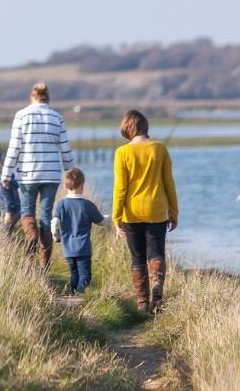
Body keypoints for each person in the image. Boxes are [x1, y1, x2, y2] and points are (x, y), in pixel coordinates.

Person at [0, 82, 74, 268]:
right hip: (51, 175)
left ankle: (31, 238)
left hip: (27, 174)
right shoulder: (57, 118)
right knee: (46, 217)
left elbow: (14, 147)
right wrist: (71, 174)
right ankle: (44, 266)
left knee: (27, 212)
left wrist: (6, 173)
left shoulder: (21, 116)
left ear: (31, 97)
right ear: (47, 98)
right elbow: (65, 150)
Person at [112, 109, 179, 314]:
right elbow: (169, 184)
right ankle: (157, 283)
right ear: (145, 127)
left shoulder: (123, 153)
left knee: (138, 258)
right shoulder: (160, 149)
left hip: (132, 213)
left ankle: (142, 303)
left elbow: (120, 188)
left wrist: (116, 217)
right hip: (156, 211)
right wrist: (174, 213)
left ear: (128, 128)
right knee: (156, 253)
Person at [51, 168, 108, 294]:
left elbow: (54, 222)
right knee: (85, 276)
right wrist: (112, 218)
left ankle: (73, 295)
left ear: (65, 186)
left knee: (74, 274)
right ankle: (79, 292)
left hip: (68, 249)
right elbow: (101, 221)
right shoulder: (87, 205)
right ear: (82, 185)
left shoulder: (62, 204)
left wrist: (56, 237)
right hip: (83, 248)